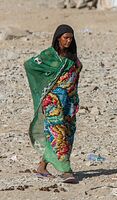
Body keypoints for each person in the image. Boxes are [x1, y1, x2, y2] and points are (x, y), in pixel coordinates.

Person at [24, 24, 82, 184]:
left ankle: (42, 167)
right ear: (58, 38)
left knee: (67, 134)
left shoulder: (73, 57)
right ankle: (65, 170)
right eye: (65, 38)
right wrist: (47, 85)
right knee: (58, 133)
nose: (69, 41)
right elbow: (29, 65)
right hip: (53, 103)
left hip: (69, 103)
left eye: (71, 38)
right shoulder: (49, 55)